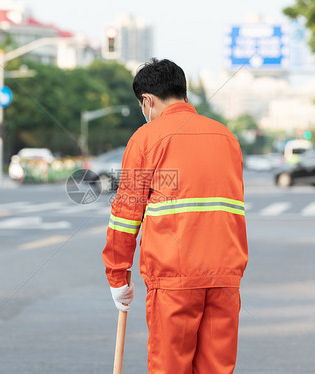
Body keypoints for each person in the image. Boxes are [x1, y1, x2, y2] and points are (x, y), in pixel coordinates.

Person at [102, 59, 248, 373]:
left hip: (174, 280)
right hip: (225, 277)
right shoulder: (226, 138)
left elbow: (126, 215)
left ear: (147, 101)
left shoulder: (146, 139)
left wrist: (117, 276)